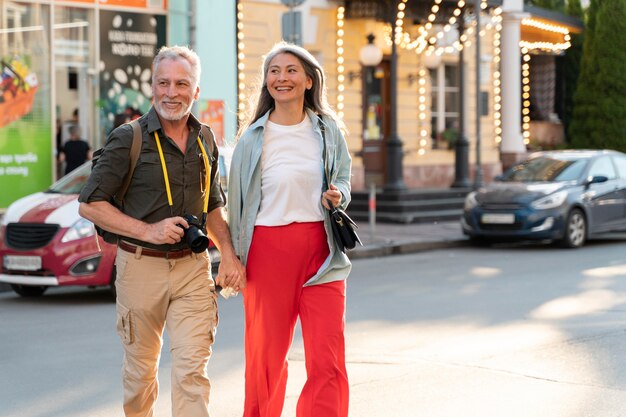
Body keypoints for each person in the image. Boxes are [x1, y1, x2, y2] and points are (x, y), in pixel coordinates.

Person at [78, 45, 246, 417]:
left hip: (193, 269)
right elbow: (90, 203)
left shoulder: (206, 138)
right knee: (140, 375)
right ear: (151, 87)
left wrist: (230, 257)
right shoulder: (128, 137)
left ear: (196, 91)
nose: (172, 92)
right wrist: (150, 231)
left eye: (181, 83)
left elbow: (213, 205)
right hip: (141, 267)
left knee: (192, 373)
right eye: (163, 83)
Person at [228, 42, 353, 417]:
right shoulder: (251, 138)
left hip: (323, 250)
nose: (282, 78)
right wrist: (232, 258)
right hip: (268, 250)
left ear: (310, 80)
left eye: (291, 70)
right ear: (266, 83)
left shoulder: (328, 130)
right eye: (274, 71)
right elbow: (236, 204)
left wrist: (338, 195)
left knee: (327, 358)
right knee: (265, 358)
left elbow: (344, 178)